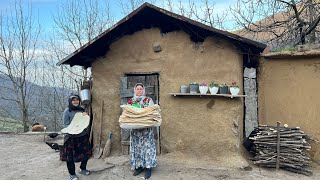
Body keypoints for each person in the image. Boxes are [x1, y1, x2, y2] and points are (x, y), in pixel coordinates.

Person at [127, 83, 157, 179]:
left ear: (143, 91)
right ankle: (139, 166)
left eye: (141, 89)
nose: (139, 91)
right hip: (135, 131)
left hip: (146, 130)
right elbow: (127, 113)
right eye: (137, 89)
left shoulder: (148, 100)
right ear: (135, 90)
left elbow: (152, 113)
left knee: (147, 147)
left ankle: (148, 168)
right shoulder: (131, 101)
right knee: (137, 148)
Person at [62, 94, 92, 180]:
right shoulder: (67, 111)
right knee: (70, 157)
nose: (75, 101)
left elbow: (85, 122)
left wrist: (85, 117)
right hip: (71, 138)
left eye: (77, 100)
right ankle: (72, 174)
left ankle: (82, 168)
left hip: (82, 136)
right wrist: (73, 129)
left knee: (86, 152)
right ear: (70, 102)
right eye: (73, 100)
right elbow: (65, 125)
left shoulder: (82, 110)